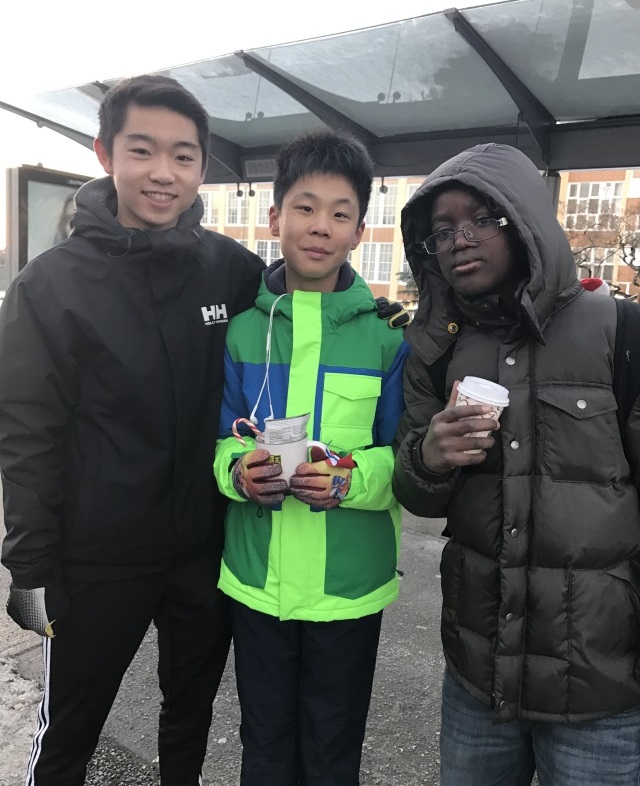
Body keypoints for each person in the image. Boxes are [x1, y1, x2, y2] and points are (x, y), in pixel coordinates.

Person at [0, 74, 264, 786]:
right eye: (142, 150)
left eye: (183, 155)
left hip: (204, 551)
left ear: (202, 167)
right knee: (70, 727)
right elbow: (26, 436)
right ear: (105, 153)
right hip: (96, 560)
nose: (162, 172)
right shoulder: (50, 285)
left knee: (190, 716)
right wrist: (30, 567)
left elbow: (299, 323)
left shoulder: (232, 272)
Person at [393, 142, 640, 786]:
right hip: (479, 680)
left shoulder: (622, 332)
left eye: (482, 218)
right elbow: (417, 496)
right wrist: (429, 457)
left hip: (602, 688)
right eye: (442, 229)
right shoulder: (435, 351)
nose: (460, 239)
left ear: (525, 220)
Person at [213, 129, 410, 786]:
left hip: (348, 589)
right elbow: (220, 438)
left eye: (340, 213)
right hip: (256, 579)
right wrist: (238, 471)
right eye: (305, 207)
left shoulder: (387, 337)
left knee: (332, 751)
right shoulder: (243, 330)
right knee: (264, 745)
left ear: (359, 231)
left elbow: (404, 459)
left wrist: (349, 480)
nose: (320, 226)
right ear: (275, 218)